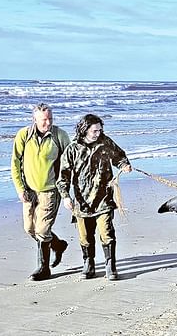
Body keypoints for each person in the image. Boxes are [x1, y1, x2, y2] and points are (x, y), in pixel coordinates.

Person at [56, 114, 132, 280]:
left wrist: (124, 164)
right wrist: (65, 197)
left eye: (100, 129)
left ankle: (110, 266)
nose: (98, 133)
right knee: (85, 236)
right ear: (85, 130)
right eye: (95, 130)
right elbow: (63, 176)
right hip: (81, 201)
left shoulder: (105, 143)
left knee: (107, 232)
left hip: (104, 198)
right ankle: (88, 264)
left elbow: (119, 156)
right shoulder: (72, 149)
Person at [11, 103, 71, 281]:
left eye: (50, 119)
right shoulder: (24, 135)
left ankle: (44, 269)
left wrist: (67, 189)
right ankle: (58, 245)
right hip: (29, 191)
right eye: (44, 120)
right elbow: (15, 163)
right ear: (34, 119)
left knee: (43, 229)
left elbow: (70, 162)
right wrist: (20, 188)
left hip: (50, 191)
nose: (48, 123)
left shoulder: (60, 135)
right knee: (29, 229)